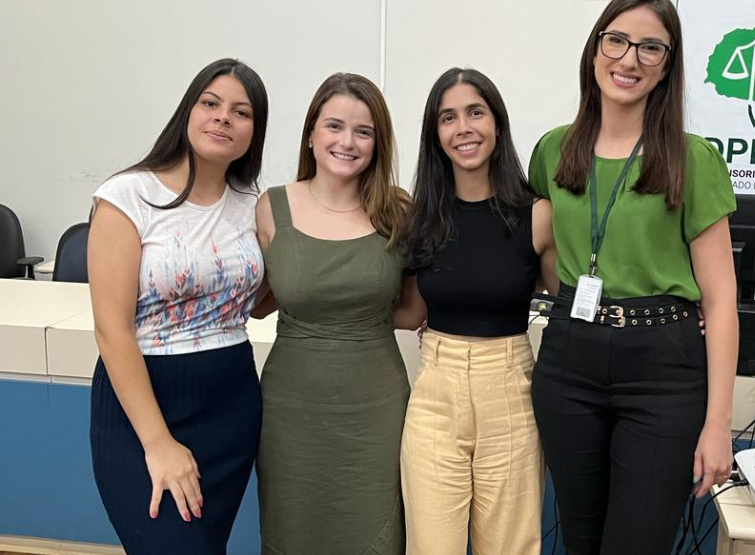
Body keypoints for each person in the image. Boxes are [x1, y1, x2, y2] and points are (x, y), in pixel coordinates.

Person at [528, 1, 739, 553]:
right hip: (570, 358)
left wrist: (718, 424)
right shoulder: (553, 149)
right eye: (617, 41)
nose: (630, 59)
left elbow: (720, 300)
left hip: (662, 369)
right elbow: (542, 253)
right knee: (579, 538)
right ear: (596, 48)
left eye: (651, 47)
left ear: (668, 66)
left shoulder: (692, 159)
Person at [88, 58, 268, 555]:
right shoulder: (129, 196)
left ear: (255, 131)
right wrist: (159, 443)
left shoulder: (251, 202)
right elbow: (111, 331)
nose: (222, 118)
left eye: (241, 111)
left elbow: (260, 301)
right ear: (187, 111)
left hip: (230, 401)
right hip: (145, 407)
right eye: (210, 103)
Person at [252, 72, 421, 555]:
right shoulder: (272, 207)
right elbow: (260, 301)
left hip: (377, 408)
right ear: (311, 133)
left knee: (375, 530)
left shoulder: (398, 210)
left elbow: (410, 312)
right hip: (290, 409)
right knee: (293, 530)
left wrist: (354, 323)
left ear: (378, 142)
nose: (347, 142)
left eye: (363, 131)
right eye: (334, 126)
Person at [399, 67, 558, 555]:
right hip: (434, 398)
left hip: (510, 392)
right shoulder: (420, 218)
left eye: (475, 112)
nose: (463, 128)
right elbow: (408, 312)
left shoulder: (537, 214)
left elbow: (572, 304)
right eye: (448, 117)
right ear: (436, 135)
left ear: (497, 123)